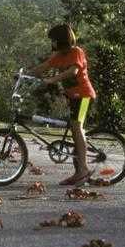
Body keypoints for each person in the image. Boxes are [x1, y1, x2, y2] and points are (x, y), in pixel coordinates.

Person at [29, 23, 97, 186]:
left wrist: (52, 80)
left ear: (61, 40)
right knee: (74, 130)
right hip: (73, 97)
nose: (52, 43)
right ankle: (77, 173)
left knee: (77, 127)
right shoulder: (58, 55)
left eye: (53, 40)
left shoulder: (76, 52)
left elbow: (73, 71)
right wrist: (24, 75)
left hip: (84, 96)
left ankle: (84, 170)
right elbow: (42, 68)